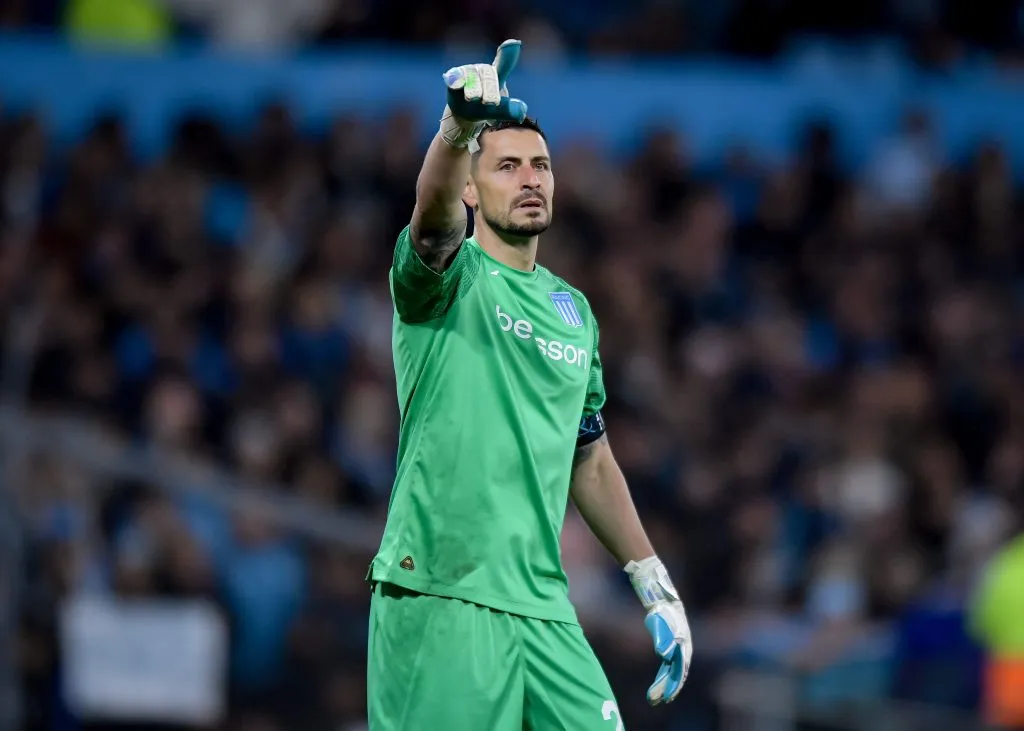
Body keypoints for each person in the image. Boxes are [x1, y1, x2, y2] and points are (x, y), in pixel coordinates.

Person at [366, 39, 692, 730]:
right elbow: (431, 224)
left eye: (540, 165)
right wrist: (456, 130)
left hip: (543, 606)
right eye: (507, 166)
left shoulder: (574, 312)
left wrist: (652, 581)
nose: (529, 179)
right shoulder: (447, 279)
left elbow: (589, 455)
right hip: (441, 588)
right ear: (471, 189)